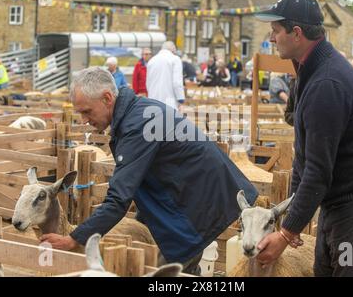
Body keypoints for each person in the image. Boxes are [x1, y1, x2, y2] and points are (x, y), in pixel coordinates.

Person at [39, 67, 258, 274]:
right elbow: (148, 177)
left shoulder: (137, 126)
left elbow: (118, 200)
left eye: (87, 111)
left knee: (164, 271)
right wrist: (145, 221)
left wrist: (75, 238)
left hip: (199, 203)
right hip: (196, 196)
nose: (84, 120)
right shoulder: (137, 112)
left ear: (107, 98)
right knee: (181, 267)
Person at [254, 0, 353, 277]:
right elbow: (304, 157)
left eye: (275, 30)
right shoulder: (310, 71)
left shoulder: (326, 83)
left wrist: (284, 234)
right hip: (340, 200)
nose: (271, 38)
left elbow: (318, 172)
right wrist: (292, 216)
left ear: (296, 33)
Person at [146, 41, 185, 110]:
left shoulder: (151, 61)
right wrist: (180, 99)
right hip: (169, 102)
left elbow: (148, 83)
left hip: (152, 101)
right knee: (168, 120)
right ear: (173, 50)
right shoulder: (175, 59)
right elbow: (177, 82)